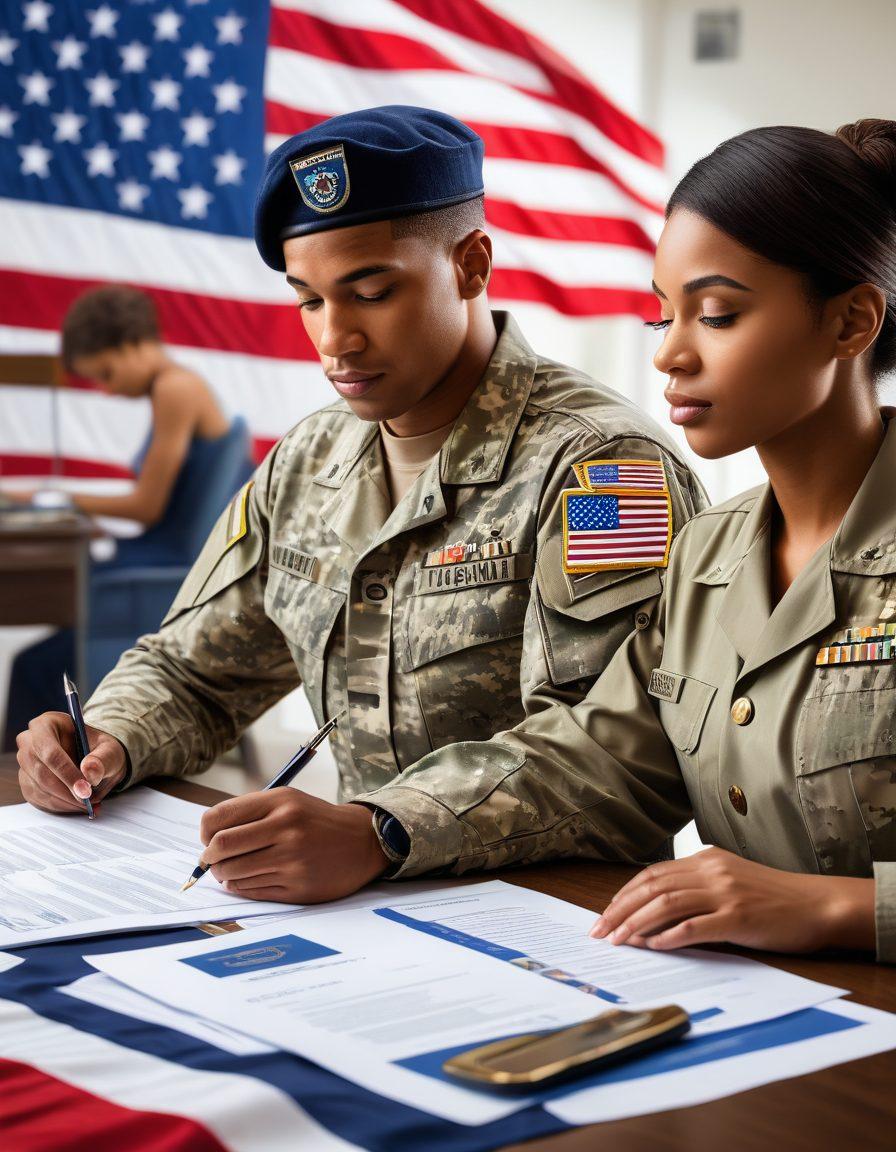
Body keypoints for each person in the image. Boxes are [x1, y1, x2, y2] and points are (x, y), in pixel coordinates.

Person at [14, 106, 706, 898]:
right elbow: (195, 671)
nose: (335, 338)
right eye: (308, 299)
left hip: (561, 917)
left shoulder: (602, 470)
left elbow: (617, 752)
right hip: (362, 910)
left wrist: (384, 827)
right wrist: (108, 741)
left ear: (471, 265)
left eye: (371, 292)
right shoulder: (307, 459)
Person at [328, 118, 896, 962]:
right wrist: (381, 830)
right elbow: (600, 761)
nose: (670, 353)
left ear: (851, 323)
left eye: (717, 314)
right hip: (746, 1019)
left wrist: (836, 908)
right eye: (662, 316)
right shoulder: (708, 554)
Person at [3, 285, 253, 748]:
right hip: (154, 559)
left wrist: (54, 495)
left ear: (133, 344)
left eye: (107, 373)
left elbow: (146, 505)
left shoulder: (175, 388)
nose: (109, 389)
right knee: (50, 629)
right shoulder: (175, 386)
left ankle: (20, 784)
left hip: (162, 580)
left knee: (33, 664)